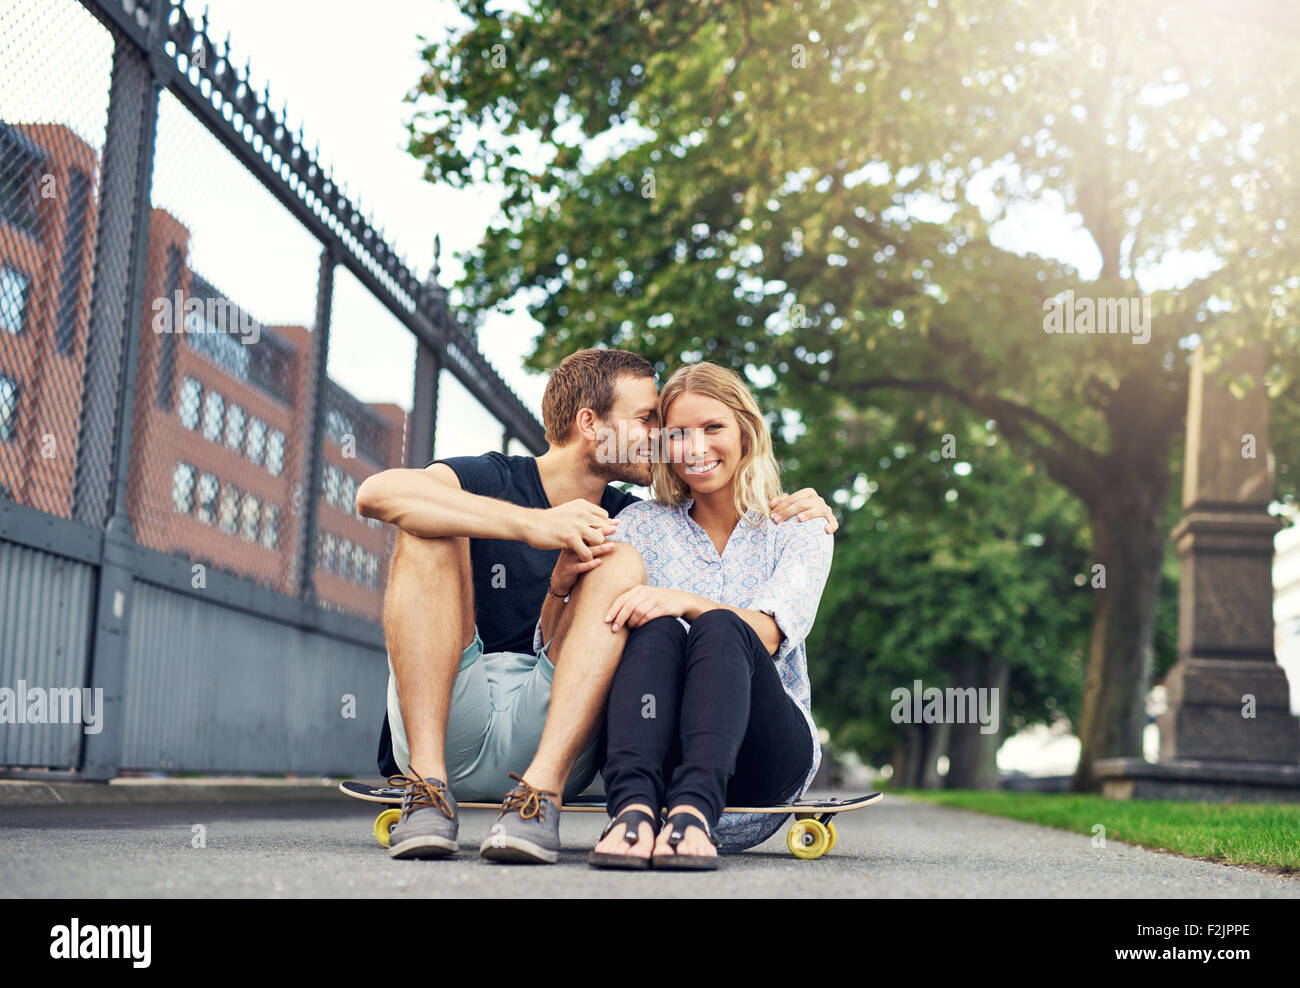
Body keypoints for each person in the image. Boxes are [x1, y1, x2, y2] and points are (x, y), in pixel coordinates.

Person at [354, 348, 837, 864]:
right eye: (653, 422)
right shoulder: (518, 487)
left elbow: (759, 615)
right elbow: (378, 493)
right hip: (461, 703)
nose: (666, 440)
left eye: (676, 424)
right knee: (426, 522)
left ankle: (545, 797)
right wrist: (537, 533)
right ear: (590, 423)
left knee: (659, 590)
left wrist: (805, 511)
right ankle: (430, 791)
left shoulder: (649, 522)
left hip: (576, 729)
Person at [585, 361, 834, 869]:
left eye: (713, 427)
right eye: (677, 434)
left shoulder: (799, 527)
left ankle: (694, 812)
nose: (695, 448)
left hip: (764, 759)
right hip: (658, 753)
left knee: (721, 626)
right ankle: (631, 811)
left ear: (745, 430)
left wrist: (688, 602)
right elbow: (587, 634)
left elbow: (768, 633)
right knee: (655, 628)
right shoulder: (638, 526)